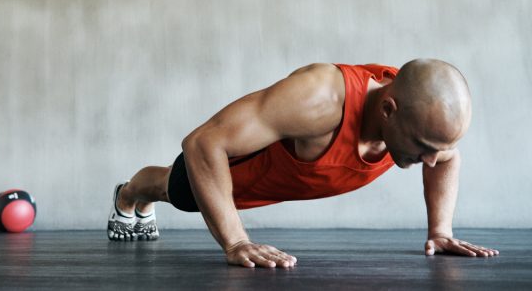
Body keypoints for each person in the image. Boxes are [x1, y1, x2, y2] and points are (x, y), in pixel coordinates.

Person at [107, 59, 499, 268]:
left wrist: (441, 231)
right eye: (423, 147)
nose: (432, 159)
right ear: (387, 111)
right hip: (226, 177)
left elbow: (447, 157)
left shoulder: (419, 119)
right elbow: (203, 141)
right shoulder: (320, 99)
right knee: (170, 189)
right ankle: (128, 196)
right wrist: (236, 242)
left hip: (275, 184)